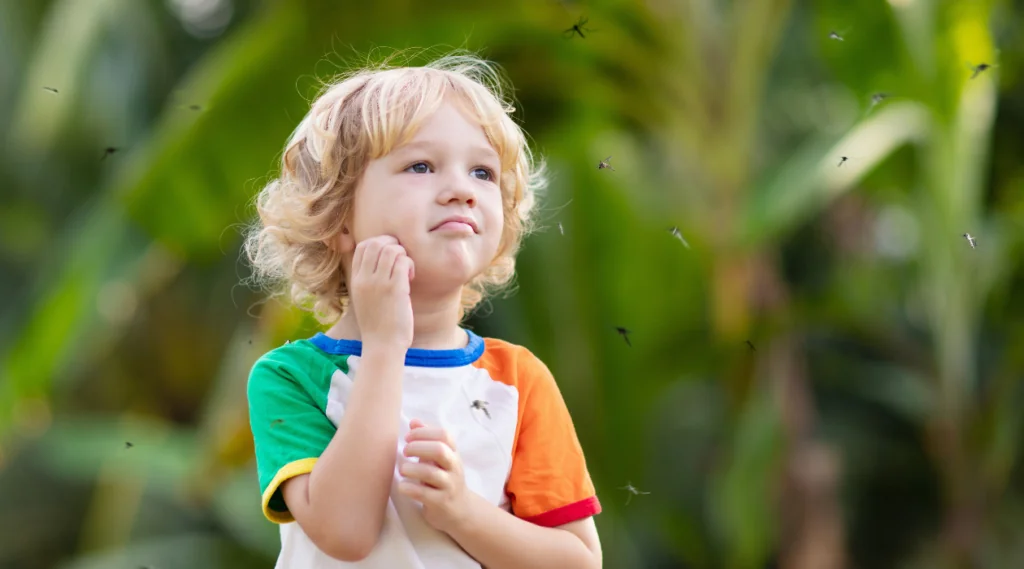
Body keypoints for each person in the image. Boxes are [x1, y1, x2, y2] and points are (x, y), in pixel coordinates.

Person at [242, 52, 602, 569]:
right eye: (421, 166)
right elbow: (345, 533)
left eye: (482, 172)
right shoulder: (290, 378)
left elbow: (579, 561)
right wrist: (385, 347)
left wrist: (462, 513)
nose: (462, 191)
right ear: (338, 217)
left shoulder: (518, 382)